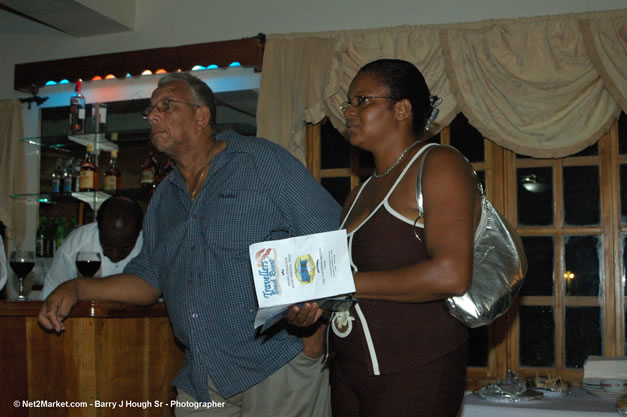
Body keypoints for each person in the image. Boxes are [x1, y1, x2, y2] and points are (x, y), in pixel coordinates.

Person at [39, 72, 341, 417]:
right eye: (151, 109)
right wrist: (78, 287)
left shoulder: (262, 162)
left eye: (166, 106)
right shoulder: (165, 197)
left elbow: (327, 231)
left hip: (276, 363)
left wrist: (313, 333)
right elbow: (149, 279)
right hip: (202, 375)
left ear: (201, 115)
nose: (153, 115)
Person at [287, 59, 482, 417]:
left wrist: (340, 283)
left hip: (415, 368)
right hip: (348, 368)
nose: (349, 111)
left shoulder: (438, 164)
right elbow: (349, 287)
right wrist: (312, 310)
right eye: (348, 102)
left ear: (402, 108)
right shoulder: (358, 194)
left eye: (362, 100)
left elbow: (451, 274)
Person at [41, 196, 144, 299]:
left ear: (140, 231)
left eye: (125, 247)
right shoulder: (75, 246)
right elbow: (50, 296)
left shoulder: (151, 246)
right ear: (97, 226)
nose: (115, 254)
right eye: (107, 245)